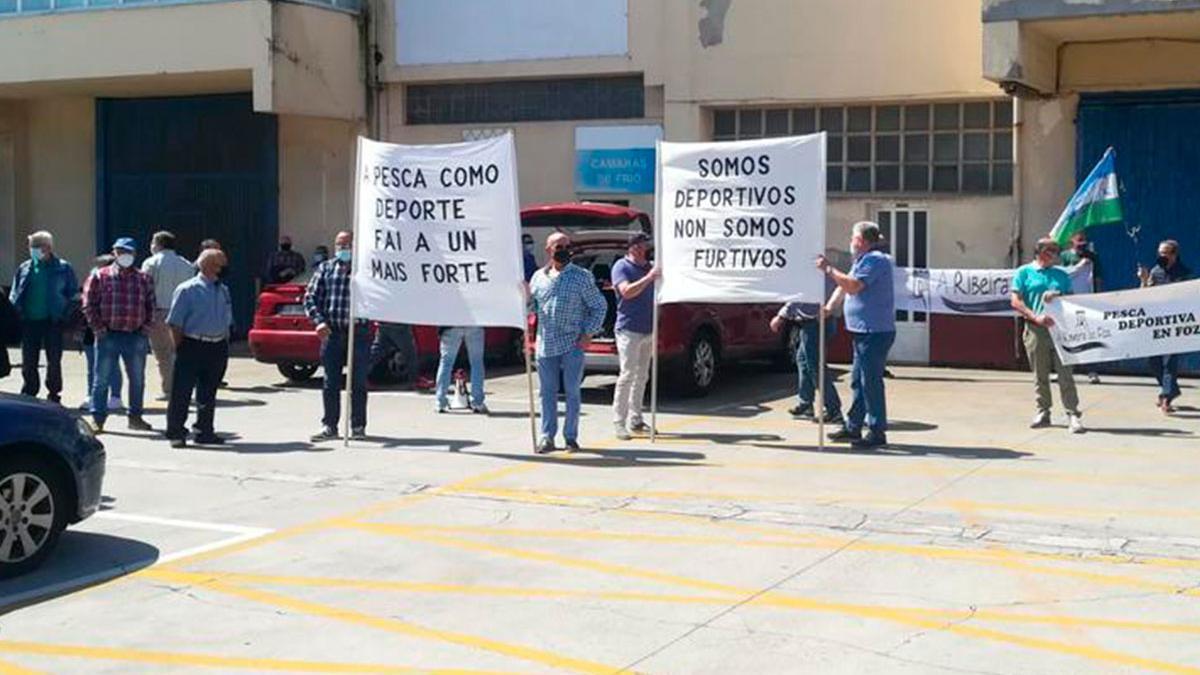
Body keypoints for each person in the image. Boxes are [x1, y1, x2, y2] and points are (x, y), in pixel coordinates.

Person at [816, 221, 895, 449]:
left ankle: (877, 430)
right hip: (863, 331)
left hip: (874, 332)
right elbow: (843, 287)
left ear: (861, 241)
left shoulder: (875, 260)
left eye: (853, 237)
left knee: (870, 382)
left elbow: (852, 286)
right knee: (858, 381)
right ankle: (853, 426)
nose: (850, 241)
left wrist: (828, 269)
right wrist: (830, 307)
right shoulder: (861, 261)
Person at [528, 232, 607, 453]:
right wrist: (521, 298)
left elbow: (599, 306)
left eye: (566, 245)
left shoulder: (581, 276)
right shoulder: (538, 277)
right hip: (546, 343)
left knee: (572, 391)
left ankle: (570, 436)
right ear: (548, 250)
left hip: (572, 342)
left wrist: (588, 334)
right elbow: (531, 307)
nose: (563, 249)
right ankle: (547, 436)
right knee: (547, 392)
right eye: (558, 246)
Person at [1011, 237, 1084, 434]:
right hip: (1036, 329)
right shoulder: (1024, 272)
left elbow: (1071, 300)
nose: (1057, 254)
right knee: (1039, 373)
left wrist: (1058, 296)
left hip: (1060, 330)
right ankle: (1043, 411)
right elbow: (1016, 301)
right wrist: (1035, 317)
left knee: (1065, 373)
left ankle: (1072, 414)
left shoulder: (1061, 275)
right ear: (1042, 252)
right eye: (1053, 250)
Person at [84, 238, 155, 433]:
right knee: (102, 380)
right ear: (114, 252)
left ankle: (135, 417)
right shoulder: (100, 276)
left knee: (138, 379)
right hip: (108, 336)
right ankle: (97, 419)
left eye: (129, 252)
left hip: (135, 336)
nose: (125, 255)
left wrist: (146, 329)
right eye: (121, 251)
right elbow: (89, 305)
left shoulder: (144, 278)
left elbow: (151, 306)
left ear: (134, 254)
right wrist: (98, 329)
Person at [305, 231, 370, 441]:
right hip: (332, 333)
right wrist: (319, 322)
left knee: (358, 382)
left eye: (347, 245)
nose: (343, 249)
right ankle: (330, 426)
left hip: (358, 333)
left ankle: (358, 427)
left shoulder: (365, 270)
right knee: (330, 382)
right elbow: (310, 298)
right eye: (339, 245)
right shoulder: (325, 269)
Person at [164, 249, 233, 448]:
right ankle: (176, 433)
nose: (224, 268)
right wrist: (180, 346)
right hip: (192, 344)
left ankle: (204, 431)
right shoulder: (187, 289)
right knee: (182, 392)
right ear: (209, 265)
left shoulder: (223, 290)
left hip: (217, 346)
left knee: (208, 393)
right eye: (221, 264)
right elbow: (175, 324)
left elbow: (227, 318)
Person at [9, 231, 79, 404]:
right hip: (29, 321)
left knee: (54, 360)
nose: (32, 250)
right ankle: (29, 391)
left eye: (36, 247)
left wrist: (65, 314)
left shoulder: (63, 268)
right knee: (29, 360)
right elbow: (15, 292)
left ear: (48, 248)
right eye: (31, 247)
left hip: (53, 321)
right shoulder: (25, 267)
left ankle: (54, 393)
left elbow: (72, 293)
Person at [611, 232, 660, 441]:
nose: (642, 249)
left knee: (643, 376)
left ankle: (636, 418)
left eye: (644, 245)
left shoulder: (650, 266)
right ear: (630, 247)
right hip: (629, 329)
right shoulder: (621, 267)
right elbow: (626, 292)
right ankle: (619, 422)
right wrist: (648, 278)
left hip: (648, 329)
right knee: (627, 375)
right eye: (637, 246)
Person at [1138, 239, 1192, 414]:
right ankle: (1170, 389)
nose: (1161, 256)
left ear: (1174, 254)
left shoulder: (1183, 273)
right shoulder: (1156, 271)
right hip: (1156, 324)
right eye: (1159, 253)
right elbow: (1144, 295)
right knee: (1153, 361)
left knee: (1169, 362)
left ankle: (1166, 397)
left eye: (1165, 253)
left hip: (1174, 325)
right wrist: (1144, 280)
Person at [770, 297, 843, 425]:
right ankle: (806, 404)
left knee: (815, 367)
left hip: (814, 322)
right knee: (803, 360)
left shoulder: (812, 279)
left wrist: (781, 316)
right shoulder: (822, 278)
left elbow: (799, 297)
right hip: (815, 322)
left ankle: (833, 409)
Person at [141, 231, 195, 398]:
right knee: (181, 352)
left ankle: (170, 389)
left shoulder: (151, 263)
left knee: (163, 353)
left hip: (160, 311)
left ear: (158, 244)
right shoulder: (186, 264)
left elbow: (144, 289)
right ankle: (184, 386)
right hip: (184, 313)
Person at [80, 254, 123, 412]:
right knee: (93, 365)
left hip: (112, 330)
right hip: (92, 330)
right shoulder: (92, 281)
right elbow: (86, 305)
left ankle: (115, 396)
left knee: (112, 365)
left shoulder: (119, 284)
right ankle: (91, 395)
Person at [1059, 231, 1103, 385]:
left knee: (1088, 336)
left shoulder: (1092, 257)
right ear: (1072, 241)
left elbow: (1097, 277)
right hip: (1068, 301)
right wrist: (1078, 267)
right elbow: (1061, 275)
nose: (1081, 247)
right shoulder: (1065, 256)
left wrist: (1098, 296)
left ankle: (1091, 370)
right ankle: (1064, 370)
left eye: (1084, 244)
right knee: (1067, 336)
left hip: (1086, 301)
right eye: (1079, 243)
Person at [434, 327, 487, 414]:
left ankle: (440, 401)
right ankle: (477, 402)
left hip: (450, 324)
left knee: (446, 363)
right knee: (476, 362)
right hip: (474, 324)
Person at [369, 322, 420, 389]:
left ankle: (358, 375)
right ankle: (415, 379)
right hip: (398, 323)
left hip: (383, 322)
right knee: (410, 353)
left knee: (376, 352)